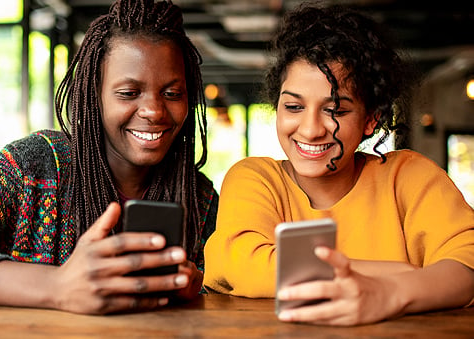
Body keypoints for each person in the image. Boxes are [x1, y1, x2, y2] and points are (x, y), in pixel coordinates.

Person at [203, 3, 474, 326]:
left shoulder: (410, 177)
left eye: (336, 110)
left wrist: (386, 294)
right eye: (293, 106)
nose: (310, 129)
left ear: (370, 119)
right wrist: (398, 273)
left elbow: (467, 266)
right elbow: (243, 266)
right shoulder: (255, 178)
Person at [0, 0, 218, 315]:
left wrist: (197, 284)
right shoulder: (28, 167)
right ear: (93, 96)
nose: (154, 111)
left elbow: (225, 289)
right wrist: (55, 286)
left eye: (172, 94)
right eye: (128, 93)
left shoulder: (201, 198)